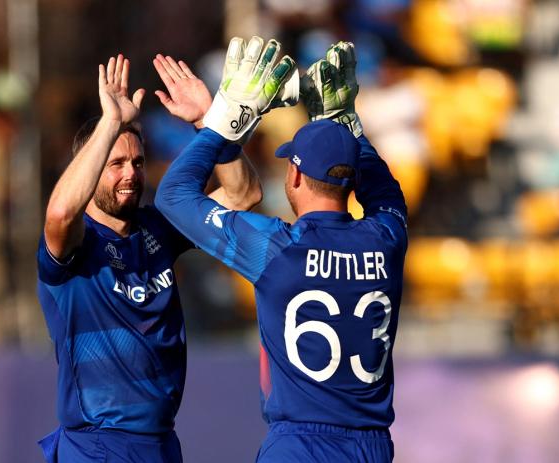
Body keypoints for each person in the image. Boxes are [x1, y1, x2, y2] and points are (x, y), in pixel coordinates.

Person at [155, 39, 407, 462]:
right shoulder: (387, 239)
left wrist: (220, 123)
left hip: (299, 446)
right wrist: (347, 124)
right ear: (350, 180)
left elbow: (174, 197)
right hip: (372, 447)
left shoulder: (277, 249)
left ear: (293, 177)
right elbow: (387, 194)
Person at [36, 52, 262, 463]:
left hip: (161, 443)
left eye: (137, 162)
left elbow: (242, 195)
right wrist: (110, 122)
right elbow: (60, 212)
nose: (130, 174)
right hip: (98, 444)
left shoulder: (158, 229)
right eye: (116, 163)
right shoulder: (73, 246)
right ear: (88, 169)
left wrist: (212, 122)